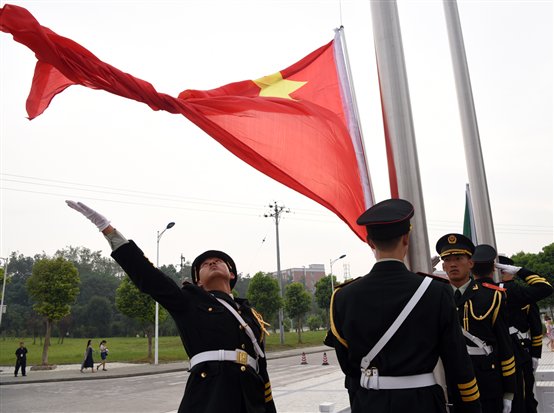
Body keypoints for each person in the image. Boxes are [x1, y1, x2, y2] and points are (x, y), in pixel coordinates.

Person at [67, 200, 276, 413]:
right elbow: (148, 277)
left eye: (219, 261)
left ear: (231, 274)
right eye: (205, 264)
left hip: (251, 401)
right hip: (210, 396)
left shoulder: (250, 315)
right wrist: (108, 230)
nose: (212, 263)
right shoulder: (189, 301)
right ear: (198, 282)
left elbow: (262, 369)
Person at [325, 199, 481, 413]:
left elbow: (349, 367)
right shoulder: (436, 292)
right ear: (406, 239)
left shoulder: (343, 296)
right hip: (422, 403)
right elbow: (458, 365)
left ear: (370, 242)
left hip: (369, 403)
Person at [437, 238, 515, 413]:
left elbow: (504, 345)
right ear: (443, 267)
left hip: (486, 380)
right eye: (447, 260)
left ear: (470, 263)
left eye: (458, 259)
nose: (453, 264)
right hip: (450, 381)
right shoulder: (436, 297)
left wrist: (509, 391)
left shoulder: (492, 296)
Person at [497, 254, 553, 413]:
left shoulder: (517, 291)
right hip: (510, 351)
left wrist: (535, 353)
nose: (501, 274)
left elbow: (535, 327)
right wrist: (522, 271)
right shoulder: (516, 291)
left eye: (503, 271)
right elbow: (544, 287)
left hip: (520, 348)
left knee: (523, 395)